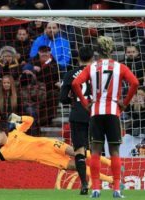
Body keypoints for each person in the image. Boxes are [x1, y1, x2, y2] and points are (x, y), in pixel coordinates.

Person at [0, 114, 113, 186]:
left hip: (49, 144)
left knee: (79, 153)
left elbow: (30, 120)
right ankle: (112, 181)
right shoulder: (3, 153)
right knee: (78, 166)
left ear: (3, 133)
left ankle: (110, 163)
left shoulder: (15, 132)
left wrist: (18, 118)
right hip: (47, 159)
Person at [72, 36, 139, 198]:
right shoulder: (120, 67)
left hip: (96, 112)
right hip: (113, 112)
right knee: (114, 151)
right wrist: (125, 102)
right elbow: (135, 83)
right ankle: (116, 189)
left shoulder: (92, 67)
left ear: (97, 51)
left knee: (95, 151)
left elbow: (75, 84)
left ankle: (96, 189)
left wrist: (85, 102)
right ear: (112, 50)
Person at [60, 46, 94, 195]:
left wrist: (74, 101)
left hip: (78, 114)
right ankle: (101, 183)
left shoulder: (70, 74)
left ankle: (84, 183)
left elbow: (62, 98)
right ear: (93, 58)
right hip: (96, 114)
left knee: (79, 150)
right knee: (97, 148)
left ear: (78, 57)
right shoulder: (99, 73)